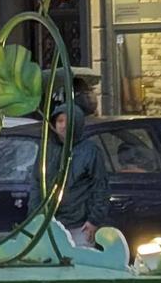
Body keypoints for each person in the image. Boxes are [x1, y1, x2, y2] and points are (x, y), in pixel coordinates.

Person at [31, 103, 108, 247]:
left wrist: (94, 220)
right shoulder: (47, 149)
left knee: (79, 264)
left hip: (80, 225)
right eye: (60, 121)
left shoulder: (90, 151)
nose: (63, 126)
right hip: (49, 224)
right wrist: (35, 217)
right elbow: (36, 182)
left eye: (68, 121)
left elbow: (100, 187)